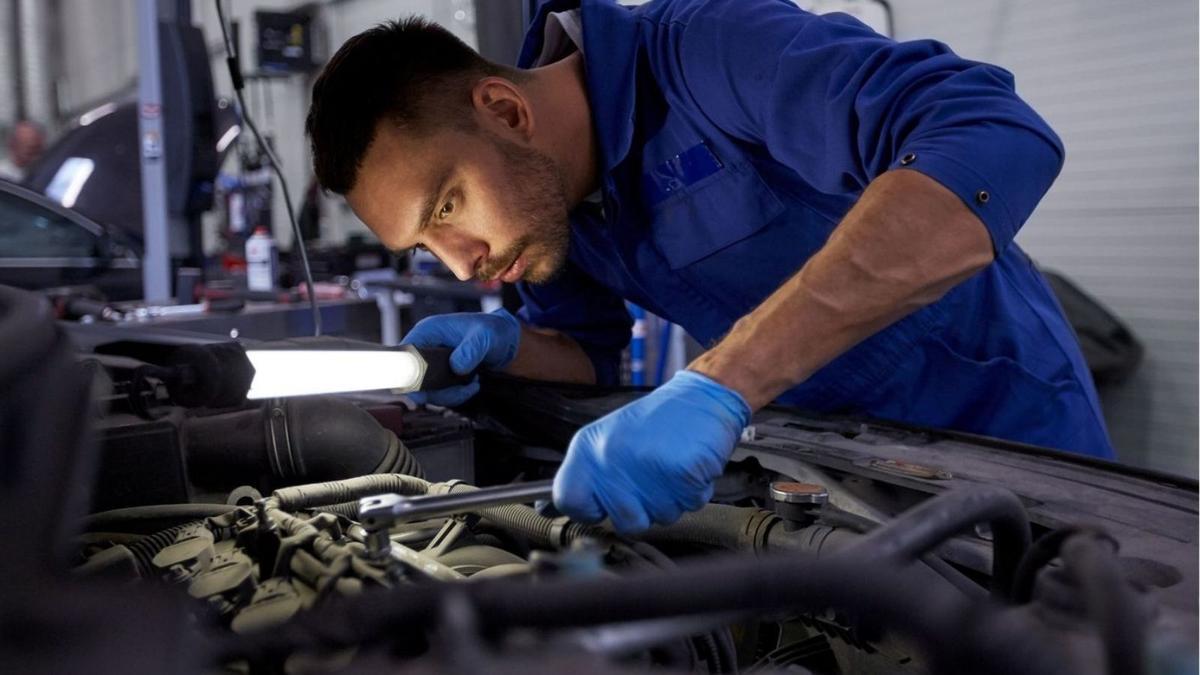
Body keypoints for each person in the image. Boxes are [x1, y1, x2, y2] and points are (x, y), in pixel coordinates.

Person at [304, 0, 1114, 533]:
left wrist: (721, 381)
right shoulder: (550, 206)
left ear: (507, 111)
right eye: (425, 243)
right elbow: (588, 353)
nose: (462, 260)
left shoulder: (711, 52)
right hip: (827, 475)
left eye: (447, 205)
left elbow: (993, 135)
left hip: (1010, 443)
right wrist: (504, 345)